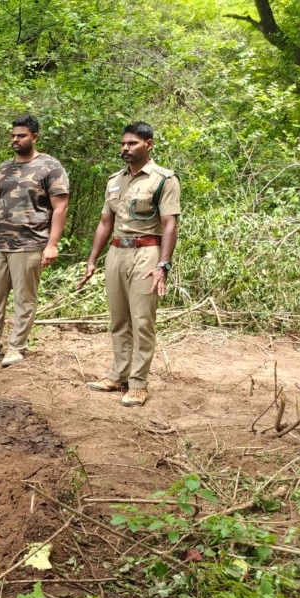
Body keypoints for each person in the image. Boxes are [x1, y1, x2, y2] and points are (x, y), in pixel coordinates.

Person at [77, 122, 181, 407]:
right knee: (119, 319)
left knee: (142, 320)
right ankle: (118, 374)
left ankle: (138, 383)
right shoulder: (115, 180)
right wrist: (91, 260)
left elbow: (169, 224)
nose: (125, 148)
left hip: (147, 253)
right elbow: (105, 222)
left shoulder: (163, 179)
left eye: (132, 143)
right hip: (116, 253)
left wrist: (163, 265)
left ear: (149, 144)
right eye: (123, 143)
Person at [0, 114, 69, 367]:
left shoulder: (50, 167)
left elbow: (60, 207)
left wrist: (52, 244)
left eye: (21, 136)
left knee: (24, 298)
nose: (15, 140)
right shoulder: (4, 168)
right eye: (13, 135)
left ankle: (16, 347)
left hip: (30, 243)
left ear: (34, 137)